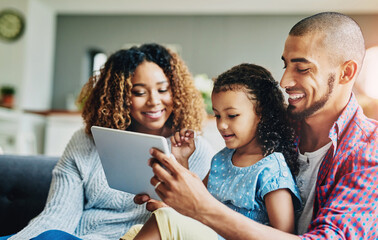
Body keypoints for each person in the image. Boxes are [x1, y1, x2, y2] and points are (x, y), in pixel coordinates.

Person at [138, 12, 378, 239]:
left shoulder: (369, 149)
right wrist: (178, 204)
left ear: (346, 72)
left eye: (302, 69)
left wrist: (202, 209)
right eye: (286, 65)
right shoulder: (271, 128)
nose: (284, 81)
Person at [3, 43, 214, 240]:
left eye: (162, 89)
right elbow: (57, 215)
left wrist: (172, 200)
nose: (154, 101)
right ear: (119, 96)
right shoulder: (85, 142)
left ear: (177, 91)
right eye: (138, 92)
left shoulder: (194, 150)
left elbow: (194, 225)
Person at [124, 63, 302, 239]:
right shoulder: (221, 159)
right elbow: (192, 204)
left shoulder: (271, 169)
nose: (222, 125)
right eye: (217, 115)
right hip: (207, 233)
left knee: (165, 220)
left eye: (232, 116)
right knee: (137, 231)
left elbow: (283, 235)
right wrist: (182, 159)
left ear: (261, 113)